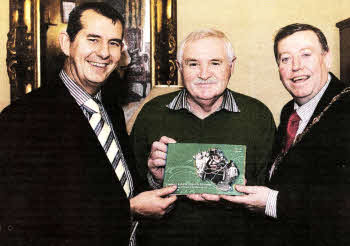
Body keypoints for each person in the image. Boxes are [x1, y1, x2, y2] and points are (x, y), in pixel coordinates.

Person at [0, 3, 176, 246]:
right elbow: (24, 221)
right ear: (66, 43)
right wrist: (128, 210)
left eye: (114, 43)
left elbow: (110, 187)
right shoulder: (22, 119)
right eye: (93, 39)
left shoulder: (110, 108)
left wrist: (152, 178)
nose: (104, 53)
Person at [130, 29, 276, 246]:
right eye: (193, 64)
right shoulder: (151, 113)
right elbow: (131, 191)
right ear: (179, 68)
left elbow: (270, 190)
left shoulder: (258, 115)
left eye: (215, 63)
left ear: (231, 66)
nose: (204, 74)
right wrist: (156, 178)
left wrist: (241, 191)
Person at [219, 23, 350, 245]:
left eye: (306, 55)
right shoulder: (289, 111)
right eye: (285, 59)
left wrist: (272, 202)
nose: (296, 67)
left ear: (326, 58)